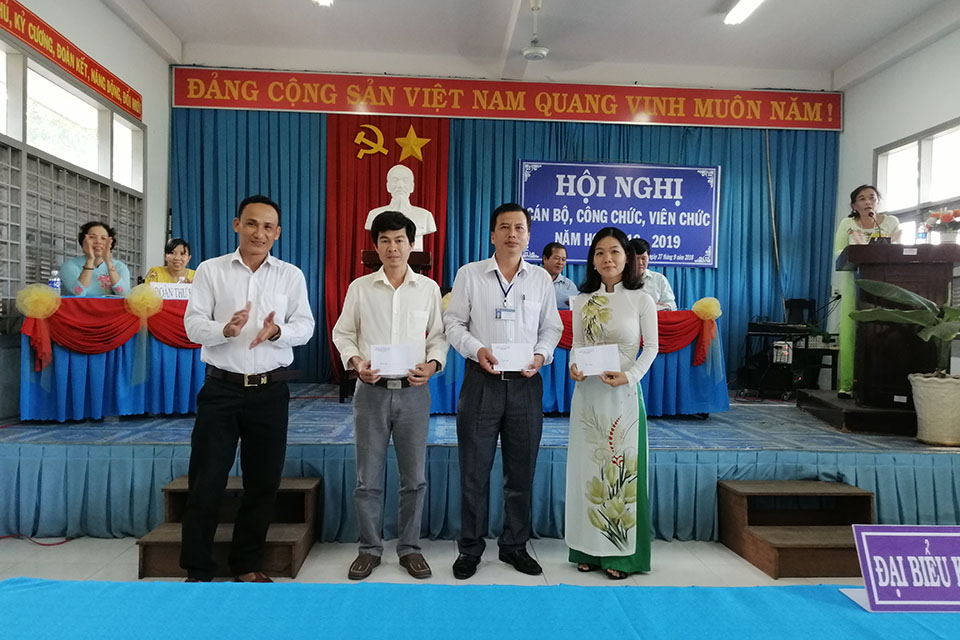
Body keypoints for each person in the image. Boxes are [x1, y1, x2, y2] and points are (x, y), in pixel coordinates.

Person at [180, 195, 315, 583]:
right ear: (237, 224)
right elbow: (193, 325)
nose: (260, 233)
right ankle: (198, 569)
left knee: (263, 483)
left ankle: (246, 564)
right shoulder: (211, 270)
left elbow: (305, 326)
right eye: (252, 224)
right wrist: (225, 329)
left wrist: (277, 331)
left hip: (270, 392)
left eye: (268, 227)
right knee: (206, 480)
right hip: (220, 390)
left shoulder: (290, 275)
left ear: (278, 233)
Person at [444, 202, 563, 579]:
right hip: (482, 382)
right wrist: (476, 349)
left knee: (521, 471)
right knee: (474, 471)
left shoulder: (541, 279)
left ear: (528, 236)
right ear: (492, 234)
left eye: (519, 228)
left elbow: (552, 328)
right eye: (505, 227)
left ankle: (514, 546)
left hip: (526, 384)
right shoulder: (470, 274)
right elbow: (453, 323)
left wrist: (541, 355)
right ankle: (470, 548)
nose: (512, 234)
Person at [332, 211, 448, 581]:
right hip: (371, 392)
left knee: (414, 478)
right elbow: (343, 333)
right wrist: (356, 362)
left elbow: (438, 337)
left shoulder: (428, 289)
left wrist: (432, 364)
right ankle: (369, 549)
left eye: (399, 240)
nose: (392, 247)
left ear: (411, 245)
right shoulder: (360, 288)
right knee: (368, 478)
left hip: (414, 393)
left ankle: (410, 548)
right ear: (376, 245)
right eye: (385, 240)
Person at [567, 227, 659, 579]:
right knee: (588, 470)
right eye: (600, 252)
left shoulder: (641, 300)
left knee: (621, 472)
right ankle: (587, 549)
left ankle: (621, 556)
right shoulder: (581, 301)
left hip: (622, 396)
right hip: (588, 395)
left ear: (627, 258)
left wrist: (630, 376)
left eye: (615, 252)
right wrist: (574, 367)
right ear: (592, 260)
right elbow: (577, 344)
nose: (608, 258)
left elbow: (652, 347)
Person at [833, 185, 900, 399]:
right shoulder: (848, 224)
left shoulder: (890, 222)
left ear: (877, 201)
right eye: (862, 199)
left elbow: (897, 250)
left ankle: (881, 384)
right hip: (853, 280)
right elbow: (838, 253)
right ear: (854, 205)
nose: (868, 202)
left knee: (882, 330)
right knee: (851, 332)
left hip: (885, 282)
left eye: (872, 197)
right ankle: (847, 385)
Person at [364, 164, 437, 251]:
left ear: (412, 186)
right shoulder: (374, 215)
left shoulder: (425, 216)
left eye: (405, 180)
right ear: (388, 186)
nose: (400, 185)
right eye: (395, 180)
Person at [60, 221, 131, 296]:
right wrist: (90, 260)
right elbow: (78, 293)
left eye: (103, 238)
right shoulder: (70, 265)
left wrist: (108, 262)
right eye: (92, 237)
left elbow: (124, 295)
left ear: (111, 244)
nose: (98, 242)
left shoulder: (120, 266)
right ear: (83, 242)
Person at [628, 238, 676, 311]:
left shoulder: (659, 279)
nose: (640, 263)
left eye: (643, 258)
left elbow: (672, 305)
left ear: (649, 258)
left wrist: (665, 306)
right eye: (636, 259)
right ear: (628, 259)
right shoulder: (619, 278)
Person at [541, 242, 579, 309]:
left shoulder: (569, 286)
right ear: (545, 259)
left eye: (563, 259)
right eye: (556, 258)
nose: (560, 262)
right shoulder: (533, 280)